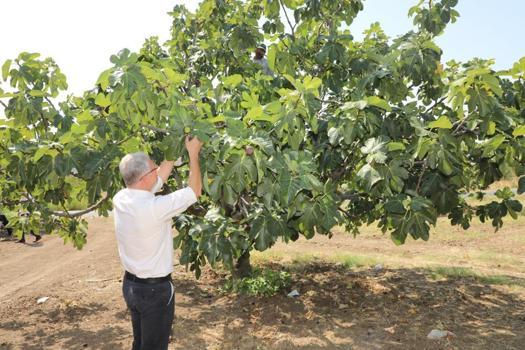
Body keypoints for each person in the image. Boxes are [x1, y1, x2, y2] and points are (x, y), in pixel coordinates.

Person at [113, 135, 203, 350]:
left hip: (131, 286)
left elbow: (158, 177)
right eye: (154, 168)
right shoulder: (155, 208)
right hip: (154, 292)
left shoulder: (122, 197)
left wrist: (175, 146)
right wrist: (193, 153)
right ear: (144, 178)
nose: (157, 170)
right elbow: (195, 191)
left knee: (141, 343)